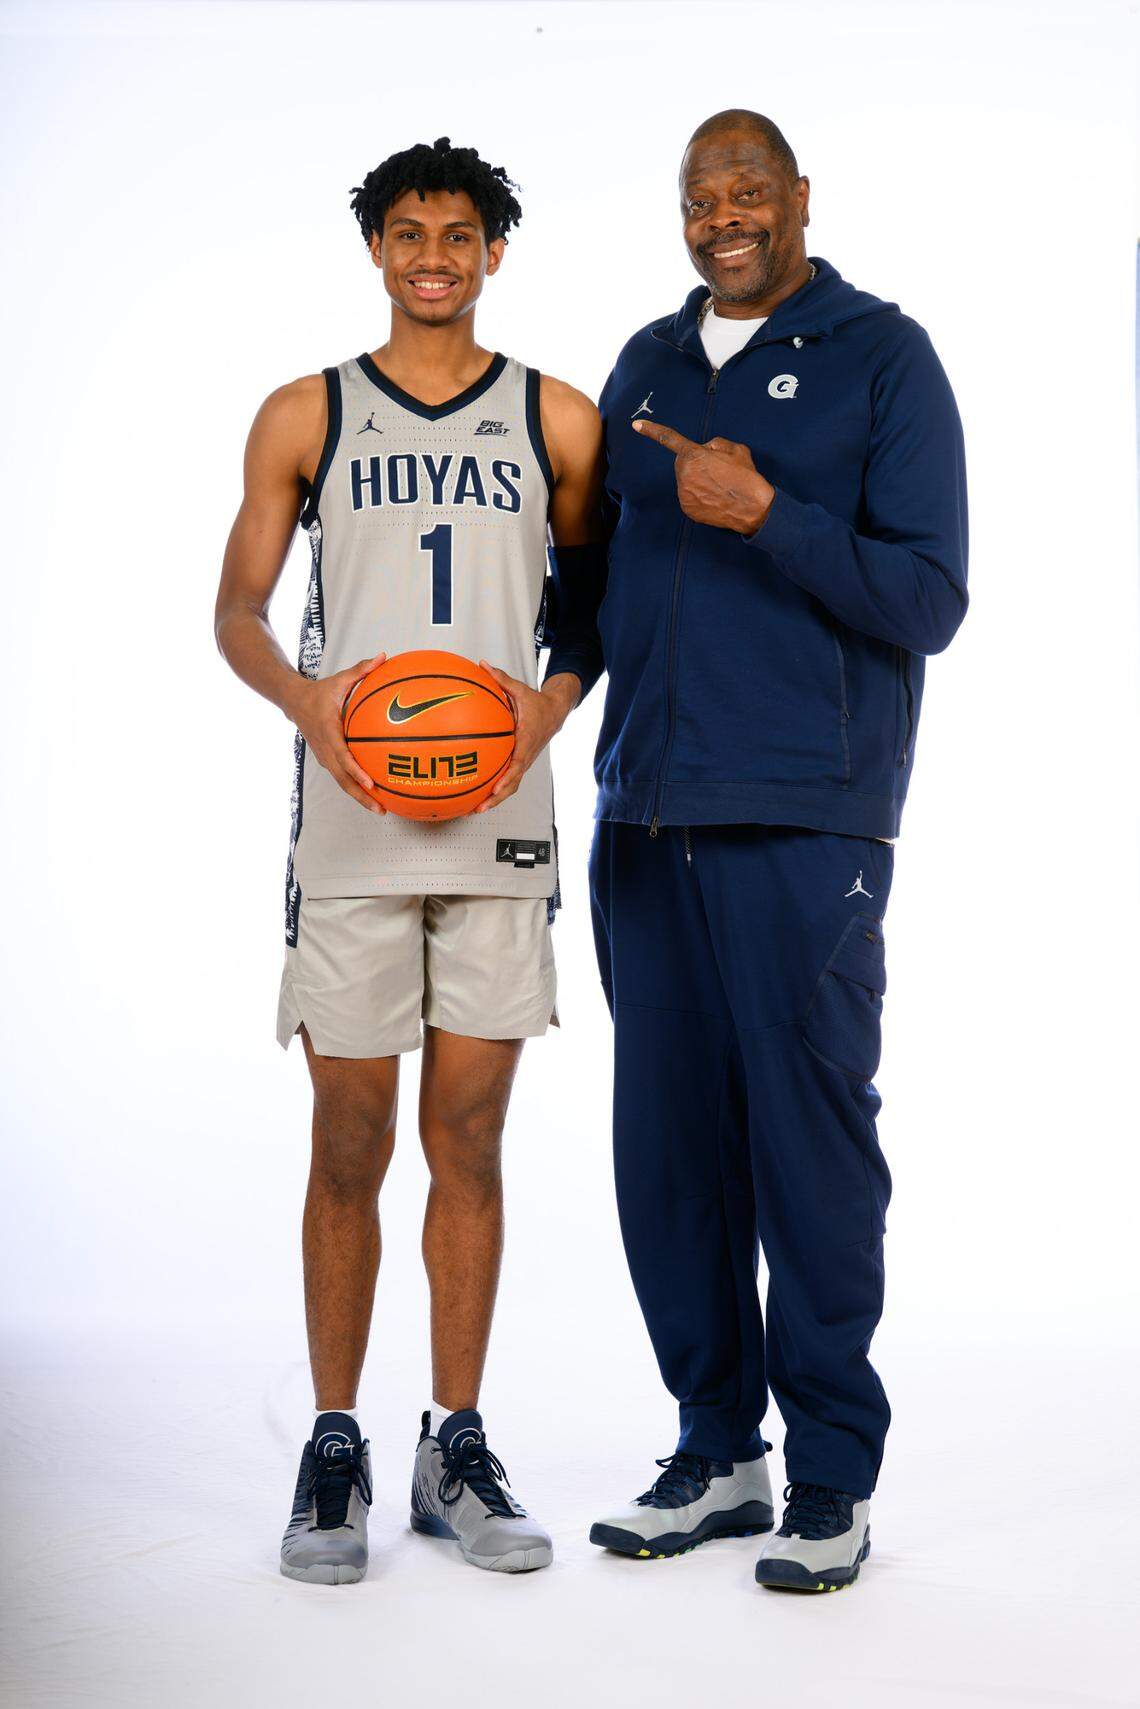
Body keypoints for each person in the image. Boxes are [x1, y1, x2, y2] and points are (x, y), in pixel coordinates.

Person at [581, 109, 968, 1591]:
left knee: (810, 1149)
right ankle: (715, 1447)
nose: (723, 215)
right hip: (646, 815)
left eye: (748, 191)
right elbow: (593, 574)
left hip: (807, 818)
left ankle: (830, 1475)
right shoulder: (647, 363)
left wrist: (770, 513)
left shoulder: (884, 354)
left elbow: (928, 597)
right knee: (669, 1151)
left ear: (798, 198)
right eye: (700, 196)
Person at [214, 136, 602, 1582]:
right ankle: (335, 1443)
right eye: (408, 232)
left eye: (459, 233)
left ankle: (455, 1439)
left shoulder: (555, 417)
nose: (433, 253)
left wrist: (541, 714)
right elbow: (240, 608)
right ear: (376, 250)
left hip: (500, 818)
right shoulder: (305, 413)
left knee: (472, 1139)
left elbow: (596, 607)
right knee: (351, 1142)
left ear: (495, 252)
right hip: (357, 819)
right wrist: (309, 700)